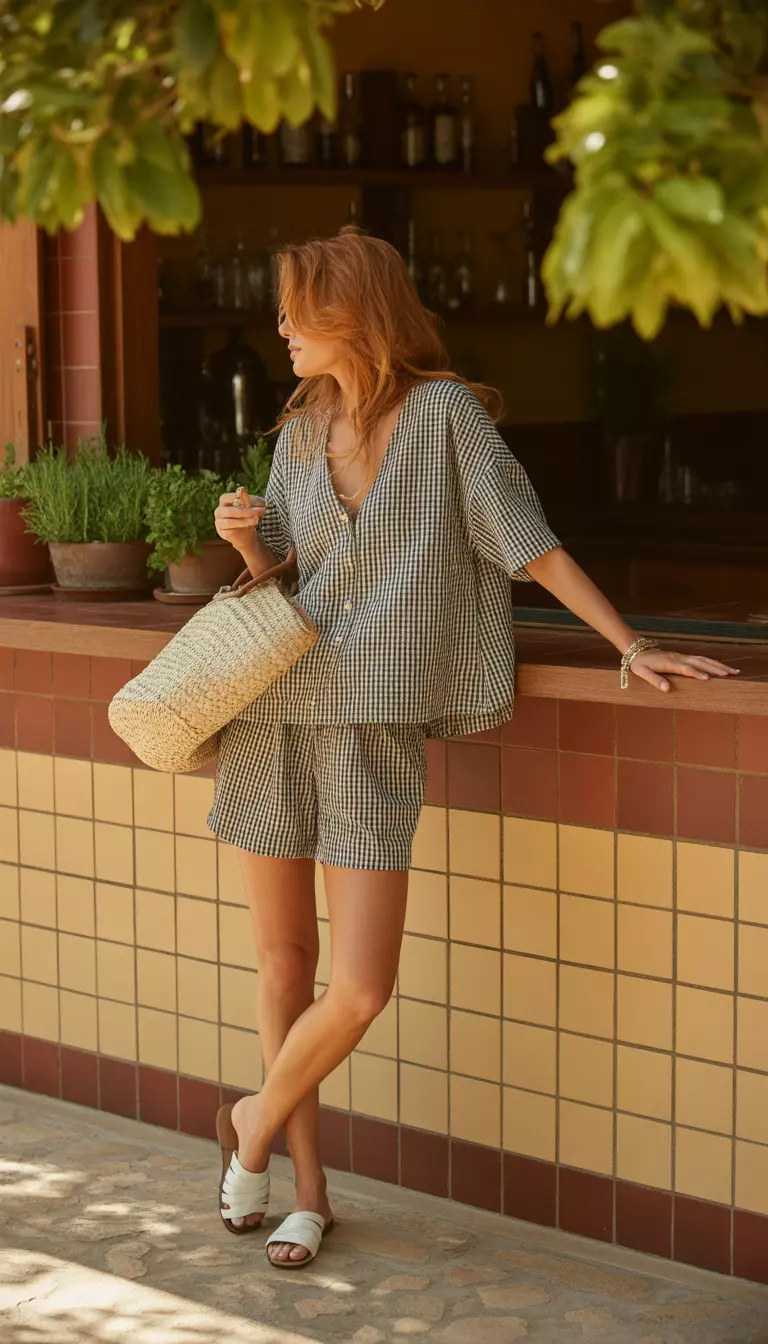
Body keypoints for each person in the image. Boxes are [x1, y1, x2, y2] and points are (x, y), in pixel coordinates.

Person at [209, 227, 738, 1268]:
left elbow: (528, 542)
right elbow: (285, 586)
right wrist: (244, 544)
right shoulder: (302, 427)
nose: (279, 327)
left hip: (374, 732)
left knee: (356, 988)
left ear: (352, 311)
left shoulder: (445, 416)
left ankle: (250, 1122)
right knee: (283, 969)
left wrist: (630, 645)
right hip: (274, 716)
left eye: (296, 308)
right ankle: (305, 1193)